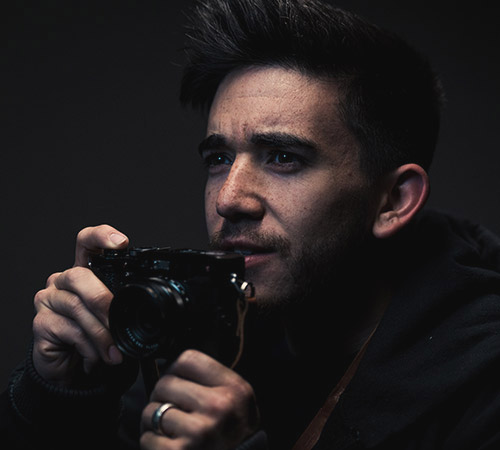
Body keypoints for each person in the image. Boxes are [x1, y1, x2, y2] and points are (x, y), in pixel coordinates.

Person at [3, 0, 500, 448]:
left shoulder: (484, 384)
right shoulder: (216, 324)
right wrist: (63, 397)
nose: (228, 199)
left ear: (393, 200)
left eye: (283, 157)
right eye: (219, 159)